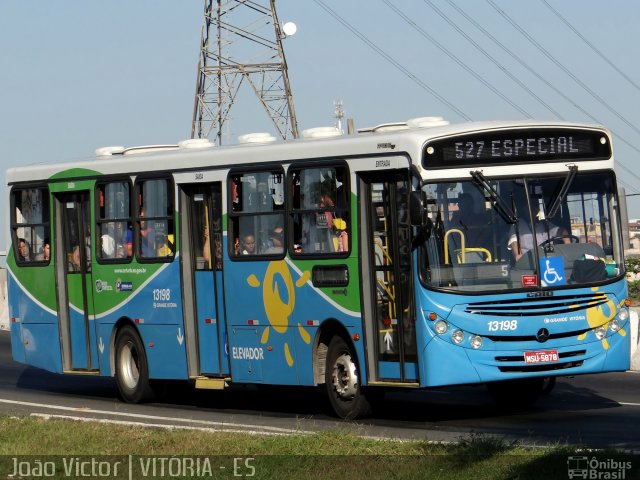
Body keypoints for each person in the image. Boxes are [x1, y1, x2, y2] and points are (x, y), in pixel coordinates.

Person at [507, 197, 570, 262]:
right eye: (531, 205)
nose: (534, 208)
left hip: (548, 261)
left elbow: (561, 231)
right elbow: (513, 240)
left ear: (538, 209)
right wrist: (518, 256)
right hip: (528, 263)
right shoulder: (517, 225)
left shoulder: (544, 224)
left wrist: (567, 246)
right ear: (524, 207)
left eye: (536, 205)